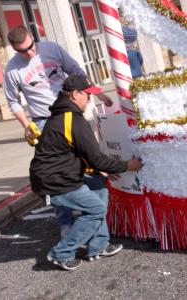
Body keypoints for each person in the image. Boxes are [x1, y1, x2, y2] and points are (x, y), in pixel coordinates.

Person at [4, 25, 113, 234]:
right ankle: (66, 224)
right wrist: (26, 126)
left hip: (71, 114)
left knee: (89, 163)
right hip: (44, 122)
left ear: (33, 39)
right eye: (23, 51)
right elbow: (13, 101)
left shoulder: (51, 49)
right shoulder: (12, 70)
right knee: (57, 176)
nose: (30, 52)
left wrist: (97, 93)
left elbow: (77, 72)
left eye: (31, 46)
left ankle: (96, 218)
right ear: (14, 49)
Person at [29, 75, 143, 271]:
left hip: (62, 174)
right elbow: (96, 157)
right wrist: (127, 166)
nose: (90, 99)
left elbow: (77, 155)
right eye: (87, 94)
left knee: (99, 186)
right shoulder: (72, 120)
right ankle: (61, 253)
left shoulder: (63, 116)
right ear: (75, 94)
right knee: (96, 209)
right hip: (54, 182)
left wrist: (100, 168)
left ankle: (98, 246)